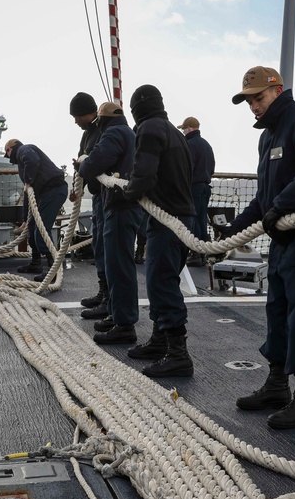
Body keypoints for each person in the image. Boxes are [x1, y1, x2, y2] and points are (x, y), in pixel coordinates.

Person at [223, 67, 295, 430]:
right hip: (283, 239)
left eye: (258, 98)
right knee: (277, 310)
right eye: (248, 101)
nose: (253, 106)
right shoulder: (267, 137)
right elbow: (263, 199)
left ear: (278, 90)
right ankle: (276, 385)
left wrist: (281, 206)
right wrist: (230, 233)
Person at [117, 84, 196, 377]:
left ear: (137, 108)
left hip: (168, 221)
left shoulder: (148, 129)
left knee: (161, 284)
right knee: (161, 281)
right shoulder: (175, 132)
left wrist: (128, 191)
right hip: (182, 217)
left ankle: (179, 355)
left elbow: (145, 174)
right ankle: (160, 341)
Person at [75, 101, 144, 345]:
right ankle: (116, 314)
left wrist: (83, 163)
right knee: (117, 263)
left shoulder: (114, 132)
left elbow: (93, 164)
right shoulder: (129, 132)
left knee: (118, 265)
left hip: (120, 206)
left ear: (102, 119)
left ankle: (124, 324)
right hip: (123, 204)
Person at [69, 92, 108, 318]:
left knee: (106, 246)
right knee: (100, 245)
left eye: (77, 116)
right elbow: (82, 161)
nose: (75, 121)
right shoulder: (88, 135)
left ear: (88, 113)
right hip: (98, 196)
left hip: (108, 196)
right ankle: (103, 292)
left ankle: (108, 297)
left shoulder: (104, 131)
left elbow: (95, 161)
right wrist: (77, 188)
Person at [4, 138, 67, 279]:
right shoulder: (23, 165)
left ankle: (53, 271)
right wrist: (25, 219)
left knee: (41, 230)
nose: (8, 158)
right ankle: (35, 262)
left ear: (9, 149)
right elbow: (28, 193)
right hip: (45, 194)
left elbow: (32, 161)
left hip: (54, 190)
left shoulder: (23, 149)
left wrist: (27, 180)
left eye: (7, 154)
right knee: (32, 229)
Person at [178, 116, 215, 265]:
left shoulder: (189, 145)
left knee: (192, 220)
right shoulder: (207, 145)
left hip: (193, 187)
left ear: (189, 129)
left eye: (183, 129)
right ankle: (203, 253)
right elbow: (212, 168)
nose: (183, 132)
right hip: (205, 186)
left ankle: (195, 253)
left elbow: (188, 168)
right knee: (201, 220)